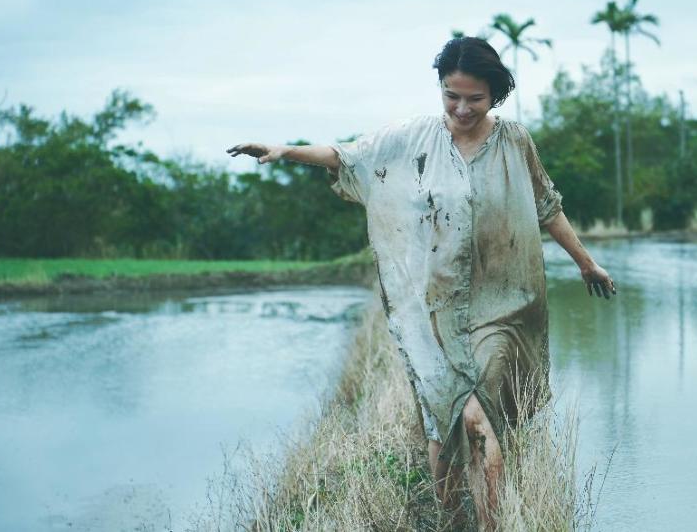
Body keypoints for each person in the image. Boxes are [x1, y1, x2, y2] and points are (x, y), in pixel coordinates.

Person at [228, 36, 615, 530]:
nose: (461, 108)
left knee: (481, 422)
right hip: (436, 310)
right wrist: (285, 150)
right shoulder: (415, 139)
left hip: (504, 305)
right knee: (444, 428)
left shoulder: (514, 141)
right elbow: (350, 156)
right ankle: (451, 516)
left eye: (474, 98)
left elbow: (547, 207)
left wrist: (586, 263)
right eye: (451, 95)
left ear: (493, 94)